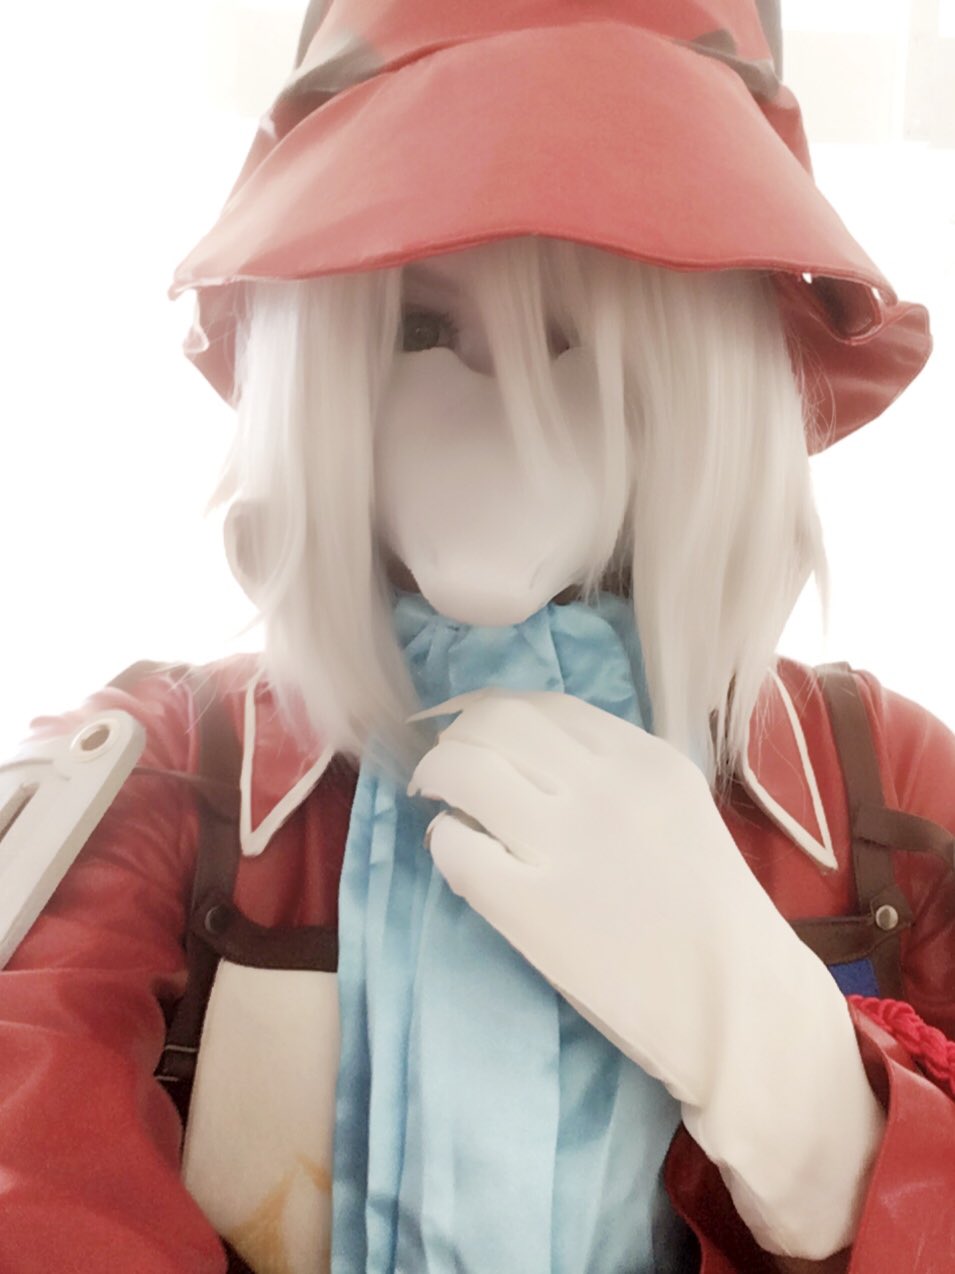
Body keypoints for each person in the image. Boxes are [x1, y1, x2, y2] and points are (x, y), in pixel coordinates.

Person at [1, 3, 953, 1272]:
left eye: (575, 331)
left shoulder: (888, 789)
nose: (502, 410)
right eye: (418, 323)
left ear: (704, 366)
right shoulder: (158, 777)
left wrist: (820, 1118)